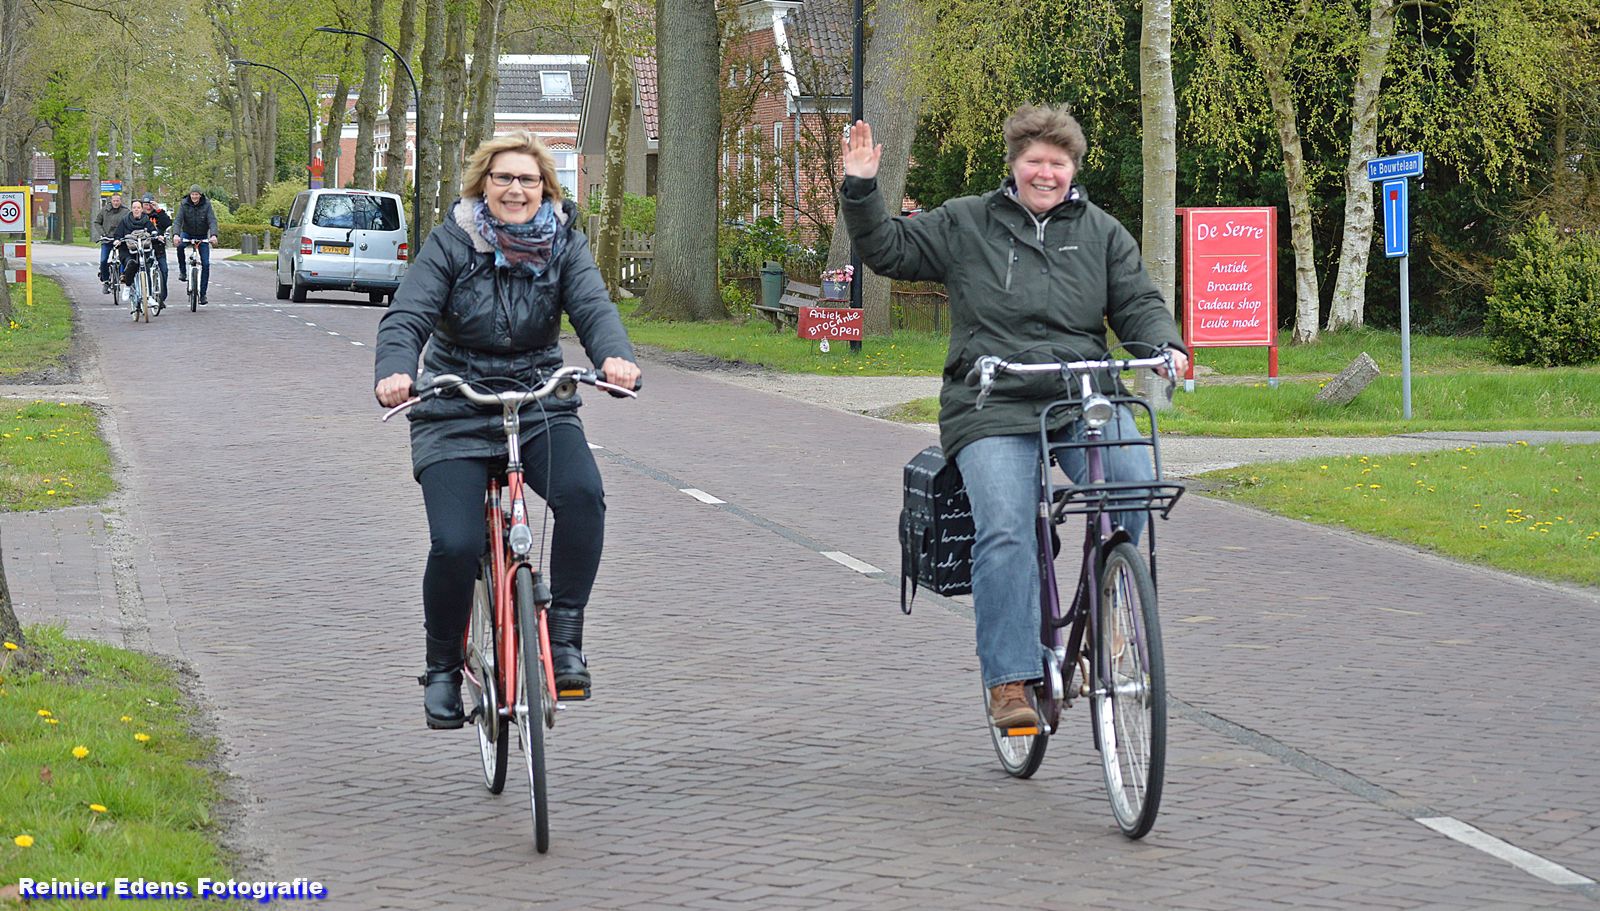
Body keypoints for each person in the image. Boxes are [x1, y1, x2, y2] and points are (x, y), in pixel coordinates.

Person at [840, 104, 1190, 730]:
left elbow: (1137, 302)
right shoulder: (967, 222)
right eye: (1034, 161)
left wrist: (1165, 347)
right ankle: (1010, 681)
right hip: (993, 402)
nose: (1046, 173)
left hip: (1080, 394)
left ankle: (1109, 607)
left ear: (1073, 168)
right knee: (1005, 527)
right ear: (1014, 165)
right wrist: (862, 189)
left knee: (1135, 482)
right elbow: (888, 250)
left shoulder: (1103, 232)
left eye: (1057, 163)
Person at [374, 131, 640, 729]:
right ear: (483, 185)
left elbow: (594, 308)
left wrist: (615, 357)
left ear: (545, 188)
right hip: (455, 404)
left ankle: (564, 640)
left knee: (584, 496)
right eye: (503, 178)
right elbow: (408, 315)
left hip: (538, 399)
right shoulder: (451, 241)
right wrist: (396, 370)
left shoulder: (565, 244)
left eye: (528, 179)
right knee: (456, 543)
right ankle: (442, 669)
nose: (515, 189)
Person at [111, 200, 165, 309]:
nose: (136, 209)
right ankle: (127, 286)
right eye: (134, 207)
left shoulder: (146, 220)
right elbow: (118, 234)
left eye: (138, 207)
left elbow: (153, 231)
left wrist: (157, 236)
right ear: (132, 209)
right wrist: (117, 240)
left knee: (146, 269)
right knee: (131, 263)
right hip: (128, 250)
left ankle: (149, 297)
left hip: (143, 249)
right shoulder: (125, 221)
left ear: (141, 209)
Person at [174, 185, 219, 305]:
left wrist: (213, 235)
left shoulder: (207, 205)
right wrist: (176, 235)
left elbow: (212, 220)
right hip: (187, 233)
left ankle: (203, 294)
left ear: (200, 195)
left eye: (196, 194)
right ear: (190, 195)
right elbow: (178, 220)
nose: (194, 196)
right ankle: (183, 271)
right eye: (192, 194)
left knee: (206, 264)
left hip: (202, 235)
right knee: (180, 246)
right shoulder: (184, 204)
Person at [137, 193, 172, 306]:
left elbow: (168, 223)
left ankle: (161, 297)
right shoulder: (139, 216)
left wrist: (159, 210)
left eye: (150, 205)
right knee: (146, 270)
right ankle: (149, 296)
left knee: (164, 270)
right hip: (145, 247)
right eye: (145, 205)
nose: (148, 207)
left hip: (158, 247)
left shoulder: (158, 214)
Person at [92, 192, 129, 292]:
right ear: (111, 201)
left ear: (120, 201)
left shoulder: (126, 211)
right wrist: (103, 233)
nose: (116, 203)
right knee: (103, 260)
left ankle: (122, 275)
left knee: (123, 258)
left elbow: (129, 223)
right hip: (107, 239)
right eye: (114, 201)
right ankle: (106, 281)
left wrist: (125, 235)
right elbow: (97, 222)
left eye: (117, 201)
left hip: (120, 240)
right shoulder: (105, 210)